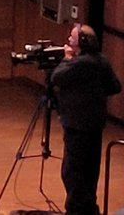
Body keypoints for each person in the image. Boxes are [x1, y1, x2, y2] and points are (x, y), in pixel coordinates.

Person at [51, 23, 121, 215]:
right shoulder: (102, 61)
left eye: (72, 38)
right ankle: (90, 209)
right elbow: (115, 86)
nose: (68, 41)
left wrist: (66, 59)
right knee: (90, 171)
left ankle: (76, 210)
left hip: (77, 124)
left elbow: (56, 77)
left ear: (82, 42)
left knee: (72, 171)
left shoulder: (78, 62)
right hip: (95, 124)